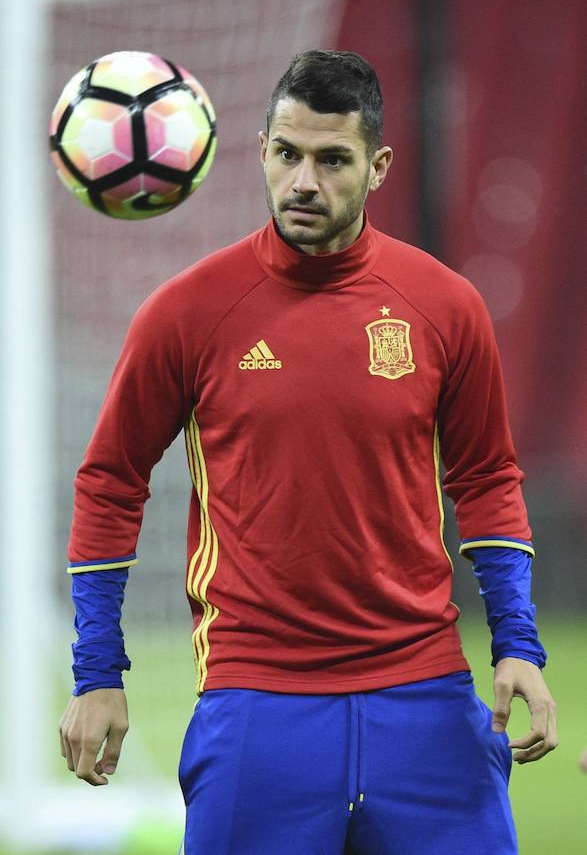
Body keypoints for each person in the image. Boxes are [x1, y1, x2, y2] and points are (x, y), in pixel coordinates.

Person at [59, 50, 558, 855]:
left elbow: (487, 477)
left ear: (378, 166)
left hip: (424, 694)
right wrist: (96, 673)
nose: (303, 182)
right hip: (257, 700)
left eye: (332, 160)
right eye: (287, 154)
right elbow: (109, 483)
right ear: (259, 148)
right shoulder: (186, 314)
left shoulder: (444, 307)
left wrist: (517, 647)